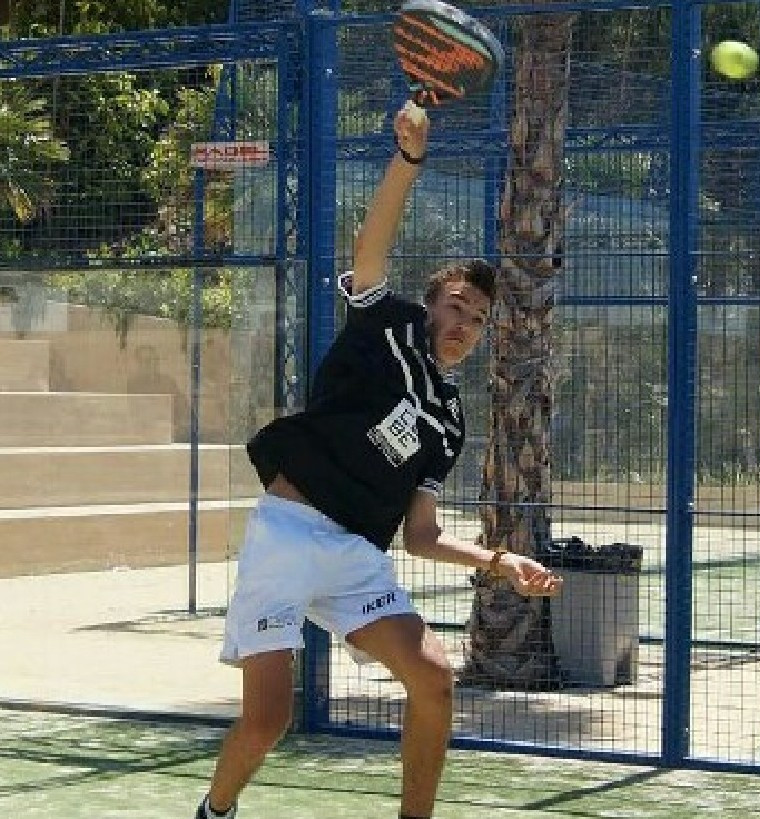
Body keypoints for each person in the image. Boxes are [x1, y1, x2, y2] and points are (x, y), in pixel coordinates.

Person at [194, 100, 563, 819]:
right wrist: (408, 159)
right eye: (456, 305)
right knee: (268, 721)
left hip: (354, 556)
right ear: (430, 305)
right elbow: (371, 247)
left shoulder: (448, 421)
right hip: (287, 533)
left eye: (478, 319)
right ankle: (215, 810)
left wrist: (501, 561)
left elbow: (421, 535)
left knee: (433, 677)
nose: (464, 323)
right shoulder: (385, 326)